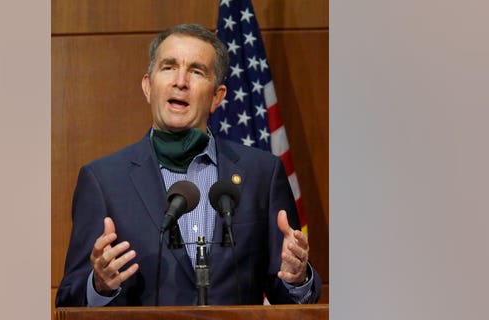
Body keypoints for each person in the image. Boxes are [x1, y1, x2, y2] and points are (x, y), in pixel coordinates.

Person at [55, 23, 321, 307]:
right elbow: (69, 301)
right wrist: (99, 285)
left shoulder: (262, 174)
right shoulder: (103, 180)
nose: (180, 81)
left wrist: (297, 278)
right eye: (168, 67)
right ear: (148, 86)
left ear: (217, 97)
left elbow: (293, 298)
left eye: (196, 71)